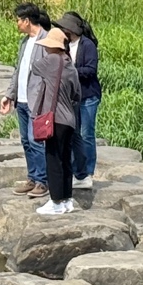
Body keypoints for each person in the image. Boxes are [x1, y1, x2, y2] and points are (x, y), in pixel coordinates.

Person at [0, 3, 51, 199]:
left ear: (27, 21)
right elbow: (18, 71)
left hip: (37, 100)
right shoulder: (24, 42)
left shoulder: (47, 40)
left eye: (19, 20)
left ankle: (42, 181)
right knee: (25, 141)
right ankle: (32, 177)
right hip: (21, 100)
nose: (17, 24)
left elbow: (51, 74)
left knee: (36, 140)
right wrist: (9, 95)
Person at [28, 27, 81, 215]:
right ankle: (67, 199)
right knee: (66, 160)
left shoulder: (51, 61)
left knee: (53, 160)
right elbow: (77, 94)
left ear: (52, 46)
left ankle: (56, 201)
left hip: (55, 120)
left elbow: (34, 68)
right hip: (69, 120)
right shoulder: (70, 65)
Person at [56, 12, 101, 190]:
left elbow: (91, 70)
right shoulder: (65, 45)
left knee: (87, 134)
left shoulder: (87, 45)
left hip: (88, 96)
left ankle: (88, 173)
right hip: (72, 97)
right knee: (74, 135)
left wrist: (70, 70)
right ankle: (77, 171)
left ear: (71, 29)